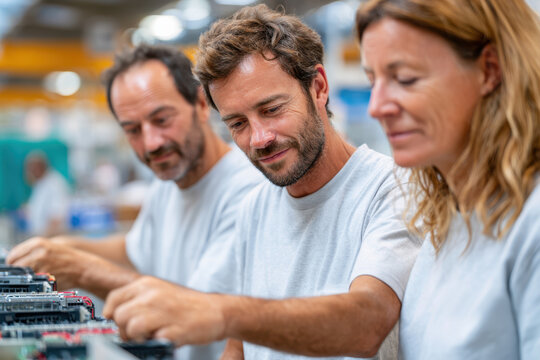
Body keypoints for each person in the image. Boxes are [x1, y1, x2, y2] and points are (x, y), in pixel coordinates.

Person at [103, 5, 422, 359]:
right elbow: (238, 347)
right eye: (237, 123)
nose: (259, 138)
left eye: (271, 109)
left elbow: (367, 323)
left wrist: (222, 313)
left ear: (318, 88)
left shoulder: (392, 189)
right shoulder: (255, 207)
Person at [7, 45, 263, 360]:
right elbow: (133, 249)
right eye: (133, 130)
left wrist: (83, 270)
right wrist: (53, 248)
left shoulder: (248, 189)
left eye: (162, 119)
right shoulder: (167, 183)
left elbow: (195, 309)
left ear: (200, 102)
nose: (151, 142)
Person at [355, 0, 540, 358]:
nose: (376, 107)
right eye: (372, 80)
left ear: (489, 70)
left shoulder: (531, 222)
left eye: (405, 78)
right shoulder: (444, 221)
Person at [24, 151, 70, 237]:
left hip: (52, 238)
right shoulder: (40, 183)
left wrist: (42, 239)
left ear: (39, 167)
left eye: (32, 169)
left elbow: (56, 217)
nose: (29, 172)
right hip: (42, 237)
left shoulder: (54, 184)